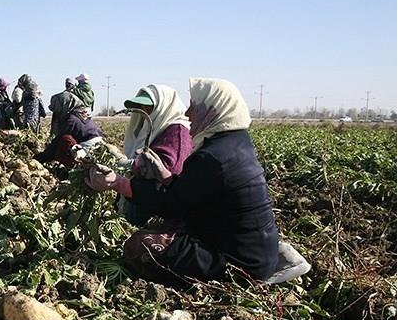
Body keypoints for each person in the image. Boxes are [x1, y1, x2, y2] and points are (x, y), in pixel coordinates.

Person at [86, 78, 279, 285]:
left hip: (236, 265)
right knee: (165, 230)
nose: (187, 114)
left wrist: (118, 183)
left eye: (194, 107)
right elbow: (193, 192)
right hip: (254, 251)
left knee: (140, 246)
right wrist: (165, 175)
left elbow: (171, 205)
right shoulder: (236, 142)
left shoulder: (213, 156)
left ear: (212, 111)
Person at [116, 84, 193, 225]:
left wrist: (126, 165)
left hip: (157, 207)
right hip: (139, 196)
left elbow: (169, 171)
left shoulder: (177, 131)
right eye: (142, 107)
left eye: (149, 107)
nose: (144, 111)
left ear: (164, 106)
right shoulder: (152, 127)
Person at [35, 97, 100, 168]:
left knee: (65, 140)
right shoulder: (85, 118)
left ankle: (72, 166)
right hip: (98, 145)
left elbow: (59, 139)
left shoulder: (72, 119)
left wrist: (44, 156)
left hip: (87, 146)